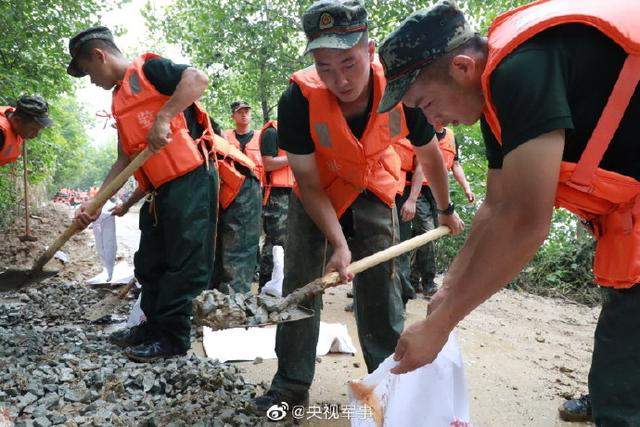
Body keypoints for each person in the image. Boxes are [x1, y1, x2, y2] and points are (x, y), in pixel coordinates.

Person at [377, 0, 640, 423]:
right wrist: (449, 288)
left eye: (425, 102)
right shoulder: (493, 97)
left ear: (462, 67)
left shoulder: (521, 69)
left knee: (622, 386)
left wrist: (440, 326)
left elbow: (524, 222)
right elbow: (495, 206)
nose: (432, 120)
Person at [253, 0, 463, 412]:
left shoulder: (400, 87)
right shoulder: (297, 98)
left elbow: (429, 153)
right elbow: (308, 183)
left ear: (370, 51)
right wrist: (338, 243)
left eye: (349, 63)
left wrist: (444, 208)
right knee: (301, 288)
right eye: (325, 67)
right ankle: (291, 387)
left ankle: (388, 386)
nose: (339, 79)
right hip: (319, 193)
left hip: (373, 185)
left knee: (381, 290)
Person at [68, 26, 219, 362]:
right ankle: (149, 327)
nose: (90, 80)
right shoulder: (119, 100)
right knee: (150, 261)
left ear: (99, 56)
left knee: (184, 263)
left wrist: (165, 116)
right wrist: (96, 202)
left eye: (88, 71)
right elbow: (124, 158)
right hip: (159, 190)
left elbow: (197, 79)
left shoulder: (149, 70)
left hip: (191, 179)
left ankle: (173, 338)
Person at [396, 126, 475, 298]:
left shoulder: (451, 136)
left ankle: (414, 280)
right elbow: (421, 165)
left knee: (424, 236)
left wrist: (467, 188)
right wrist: (413, 199)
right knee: (428, 232)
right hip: (417, 190)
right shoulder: (424, 131)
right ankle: (428, 281)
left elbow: (455, 163)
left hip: (437, 192)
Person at [211, 102, 263, 294]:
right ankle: (219, 290)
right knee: (222, 242)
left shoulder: (261, 137)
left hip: (246, 189)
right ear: (233, 116)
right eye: (239, 112)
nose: (244, 115)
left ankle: (234, 294)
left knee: (241, 243)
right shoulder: (223, 137)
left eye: (247, 112)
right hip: (227, 191)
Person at [258, 119, 294, 290]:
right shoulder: (272, 133)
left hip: (295, 192)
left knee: (290, 242)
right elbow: (268, 163)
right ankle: (265, 286)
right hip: (277, 196)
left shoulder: (297, 131)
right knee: (275, 243)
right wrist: (294, 158)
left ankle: (282, 287)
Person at [0, 95, 52, 166]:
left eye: (39, 129)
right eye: (33, 129)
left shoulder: (15, 115)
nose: (35, 135)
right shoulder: (1, 134)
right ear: (16, 121)